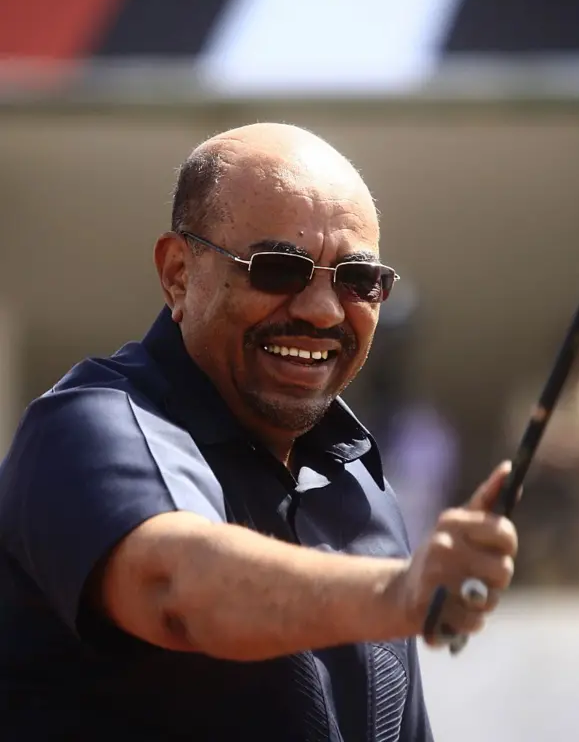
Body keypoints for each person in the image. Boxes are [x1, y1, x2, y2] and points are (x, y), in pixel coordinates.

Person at [0, 123, 517, 741]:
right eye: (278, 269)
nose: (324, 311)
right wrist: (401, 591)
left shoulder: (359, 481)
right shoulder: (88, 425)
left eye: (357, 280)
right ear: (177, 274)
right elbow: (174, 586)